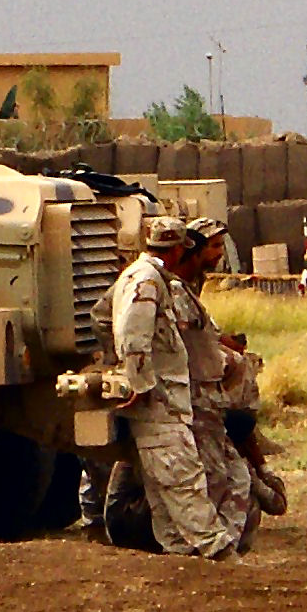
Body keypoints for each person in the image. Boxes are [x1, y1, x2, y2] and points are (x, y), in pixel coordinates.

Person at [90, 214, 239, 559]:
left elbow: (102, 316)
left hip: (162, 400)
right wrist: (139, 383)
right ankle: (218, 551)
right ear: (174, 251)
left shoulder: (141, 276)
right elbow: (132, 334)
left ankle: (178, 554)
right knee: (184, 478)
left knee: (161, 486)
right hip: (160, 402)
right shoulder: (147, 281)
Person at [173, 216, 258, 547]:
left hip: (197, 392)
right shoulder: (176, 286)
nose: (219, 254)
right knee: (216, 474)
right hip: (189, 393)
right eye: (215, 247)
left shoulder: (194, 283)